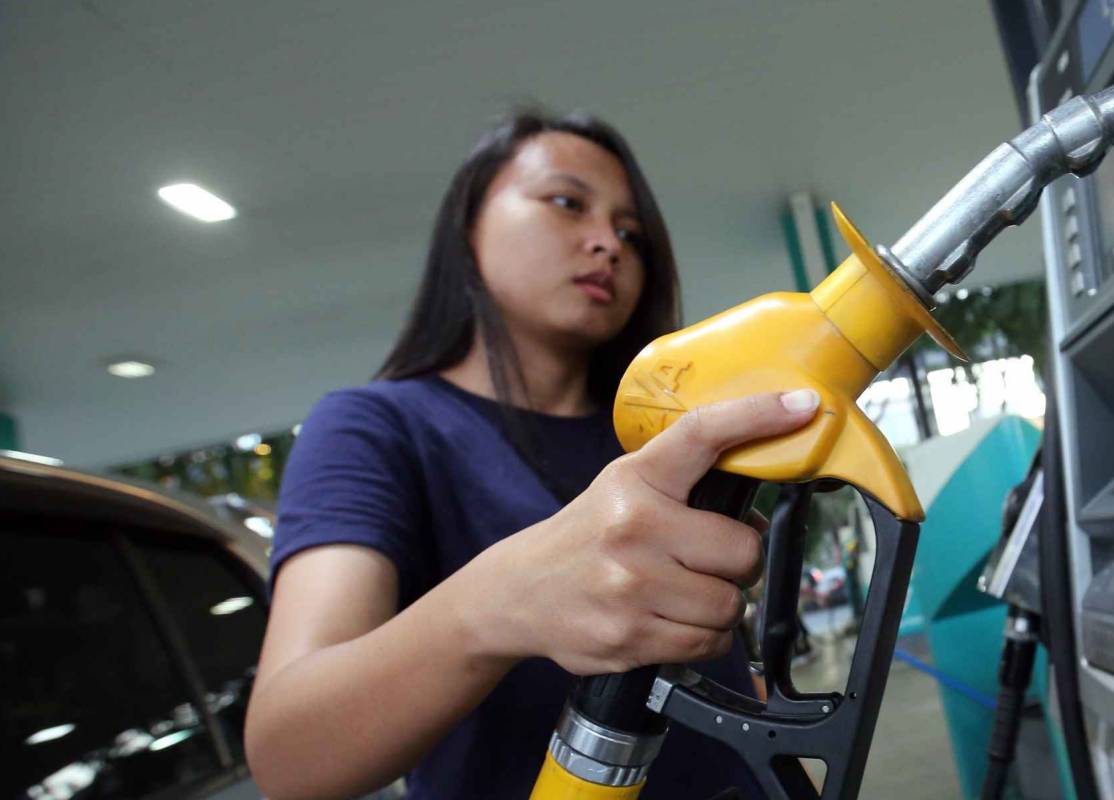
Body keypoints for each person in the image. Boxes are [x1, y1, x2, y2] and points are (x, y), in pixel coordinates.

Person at [244, 110, 816, 799]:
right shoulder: (374, 428)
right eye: (567, 202)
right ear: (468, 226)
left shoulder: (662, 435)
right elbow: (288, 753)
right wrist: (500, 602)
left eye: (630, 234)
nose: (607, 244)